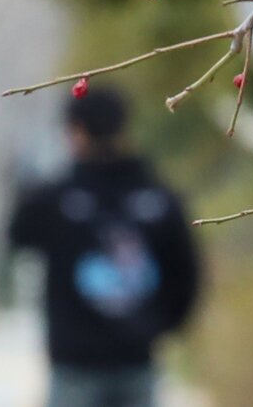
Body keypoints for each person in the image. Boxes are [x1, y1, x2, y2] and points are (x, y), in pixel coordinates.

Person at [10, 85, 201, 407]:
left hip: (76, 363)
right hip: (134, 358)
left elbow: (17, 234)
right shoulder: (157, 196)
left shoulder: (57, 199)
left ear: (77, 131)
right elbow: (186, 272)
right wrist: (158, 326)